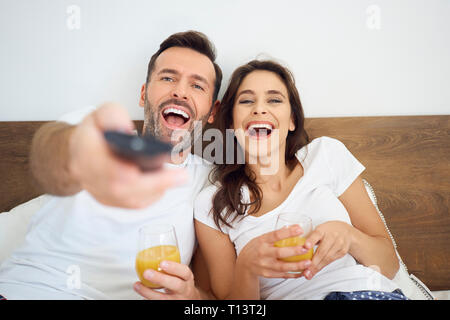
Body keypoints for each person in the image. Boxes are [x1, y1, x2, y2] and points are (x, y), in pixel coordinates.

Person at [0, 30, 221, 300]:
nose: (180, 91)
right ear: (143, 94)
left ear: (212, 112)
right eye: (167, 78)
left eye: (197, 86)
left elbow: (215, 296)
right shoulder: (94, 129)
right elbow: (50, 149)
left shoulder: (209, 182)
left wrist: (192, 297)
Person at [193, 59, 408, 300]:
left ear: (292, 120)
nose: (259, 109)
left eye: (274, 100)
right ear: (231, 123)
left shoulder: (326, 155)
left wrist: (350, 236)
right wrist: (247, 266)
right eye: (246, 101)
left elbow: (389, 265)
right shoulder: (212, 204)